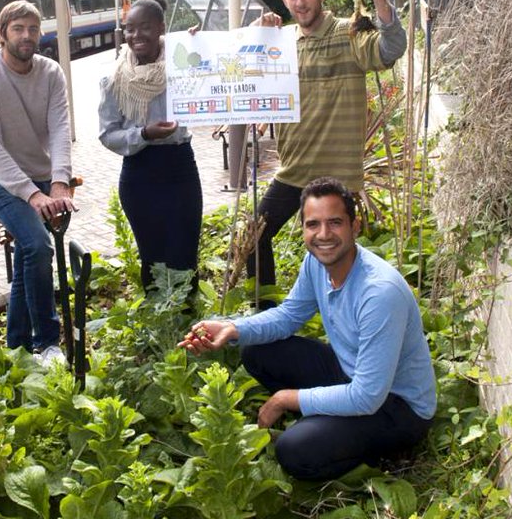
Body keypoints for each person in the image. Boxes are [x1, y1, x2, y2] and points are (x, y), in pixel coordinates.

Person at [180, 177, 436, 481]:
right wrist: (231, 328)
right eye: (313, 224)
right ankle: (329, 421)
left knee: (294, 451)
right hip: (352, 374)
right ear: (303, 229)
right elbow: (289, 316)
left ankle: (373, 450)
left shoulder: (379, 293)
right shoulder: (317, 262)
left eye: (335, 223)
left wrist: (285, 398)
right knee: (256, 350)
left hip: (397, 406)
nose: (323, 234)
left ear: (354, 227)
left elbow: (367, 397)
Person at [247, 0, 407, 290]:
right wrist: (255, 32)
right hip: (293, 171)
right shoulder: (282, 44)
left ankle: (348, 321)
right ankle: (265, 322)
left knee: (336, 258)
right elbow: (236, 69)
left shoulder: (349, 33)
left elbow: (393, 47)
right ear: (284, 0)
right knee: (253, 238)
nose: (300, 2)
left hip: (336, 176)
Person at [0, 0, 74, 364]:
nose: (26, 36)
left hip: (41, 175)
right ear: (1, 35)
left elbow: (60, 129)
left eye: (32, 29)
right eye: (18, 29)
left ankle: (15, 347)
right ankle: (47, 341)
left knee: (30, 253)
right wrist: (31, 194)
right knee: (39, 246)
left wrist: (59, 183)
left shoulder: (51, 72)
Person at [99, 0, 201, 290]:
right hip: (139, 174)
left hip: (180, 167)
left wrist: (198, 47)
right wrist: (144, 134)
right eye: (129, 29)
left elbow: (220, 66)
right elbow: (108, 134)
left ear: (161, 28)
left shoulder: (183, 63)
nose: (136, 35)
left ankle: (190, 327)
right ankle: (159, 327)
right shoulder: (113, 78)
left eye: (145, 27)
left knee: (184, 255)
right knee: (152, 259)